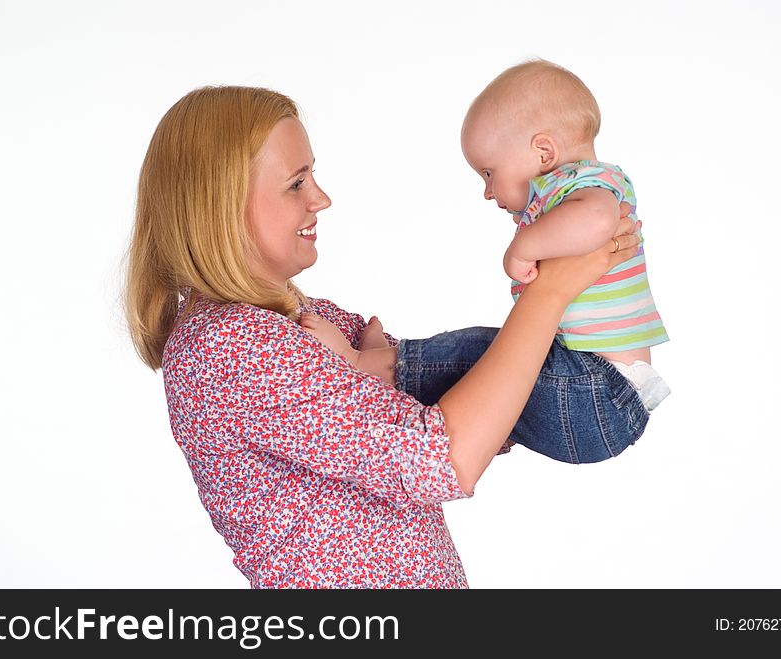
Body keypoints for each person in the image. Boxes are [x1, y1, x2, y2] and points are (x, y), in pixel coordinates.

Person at [124, 85, 641, 588]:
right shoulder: (228, 346)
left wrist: (442, 397)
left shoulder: (297, 316)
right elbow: (445, 456)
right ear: (220, 205)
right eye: (296, 183)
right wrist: (548, 292)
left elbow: (468, 403)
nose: (321, 199)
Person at [461, 59, 670, 411]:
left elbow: (598, 219)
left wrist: (523, 247)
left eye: (488, 173)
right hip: (596, 374)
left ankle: (390, 365)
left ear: (544, 152)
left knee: (473, 354)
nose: (486, 191)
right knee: (493, 364)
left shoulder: (584, 182)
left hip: (597, 378)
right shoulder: (568, 192)